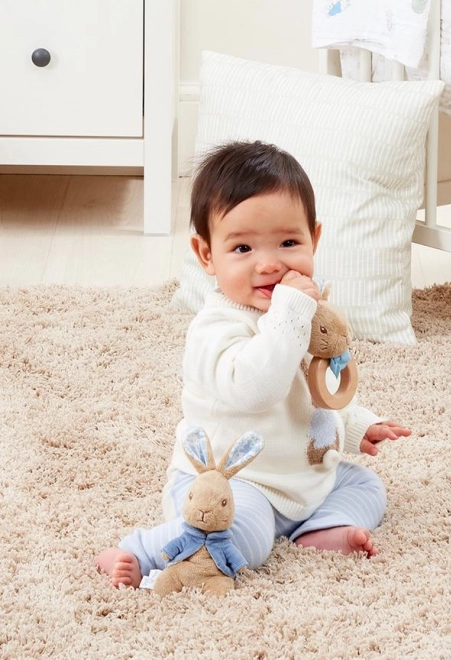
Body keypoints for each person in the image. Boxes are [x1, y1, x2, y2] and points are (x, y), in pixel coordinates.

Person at [96, 140, 412, 588]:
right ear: (207, 255)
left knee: (364, 486)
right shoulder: (215, 328)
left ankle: (321, 529)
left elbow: (312, 393)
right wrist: (290, 315)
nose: (268, 264)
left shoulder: (302, 314)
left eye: (289, 242)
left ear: (314, 239)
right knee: (244, 539)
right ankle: (140, 550)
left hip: (300, 477)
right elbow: (257, 389)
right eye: (243, 248)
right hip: (234, 486)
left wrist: (357, 424)